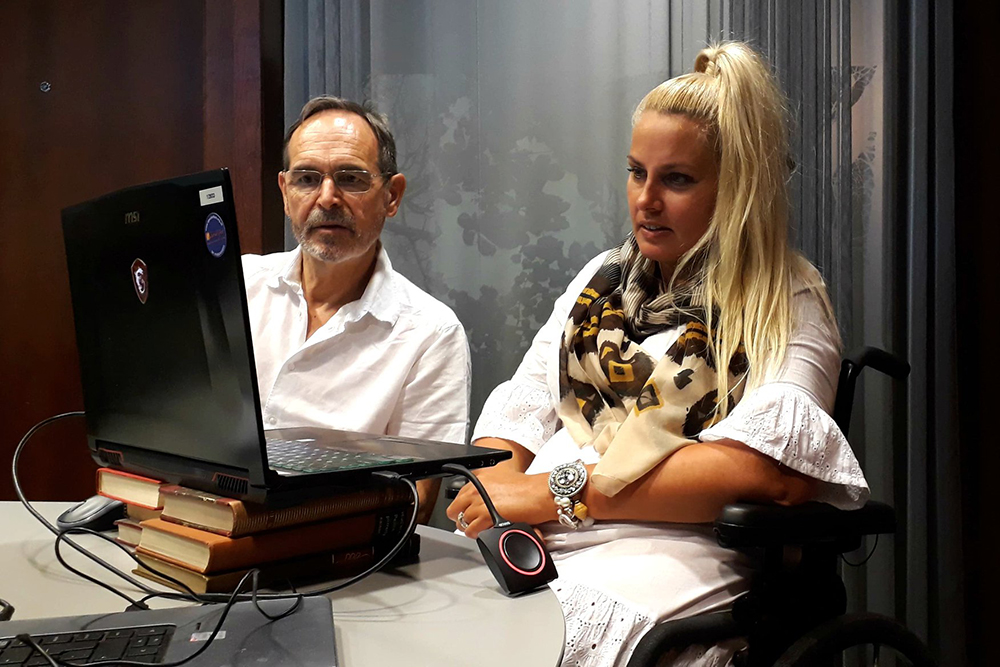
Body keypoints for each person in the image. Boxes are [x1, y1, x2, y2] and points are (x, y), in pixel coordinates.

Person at [446, 42, 868, 666]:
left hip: (675, 548)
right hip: (540, 535)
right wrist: (499, 493)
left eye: (677, 179)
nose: (646, 199)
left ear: (737, 188)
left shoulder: (786, 297)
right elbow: (522, 409)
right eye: (637, 171)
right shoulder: (600, 282)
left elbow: (765, 474)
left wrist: (552, 494)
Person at [243, 96, 471, 522]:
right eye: (307, 179)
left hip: (334, 550)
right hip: (205, 527)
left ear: (392, 195)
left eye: (350, 179)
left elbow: (415, 500)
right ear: (285, 192)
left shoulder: (431, 333)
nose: (327, 198)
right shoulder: (238, 287)